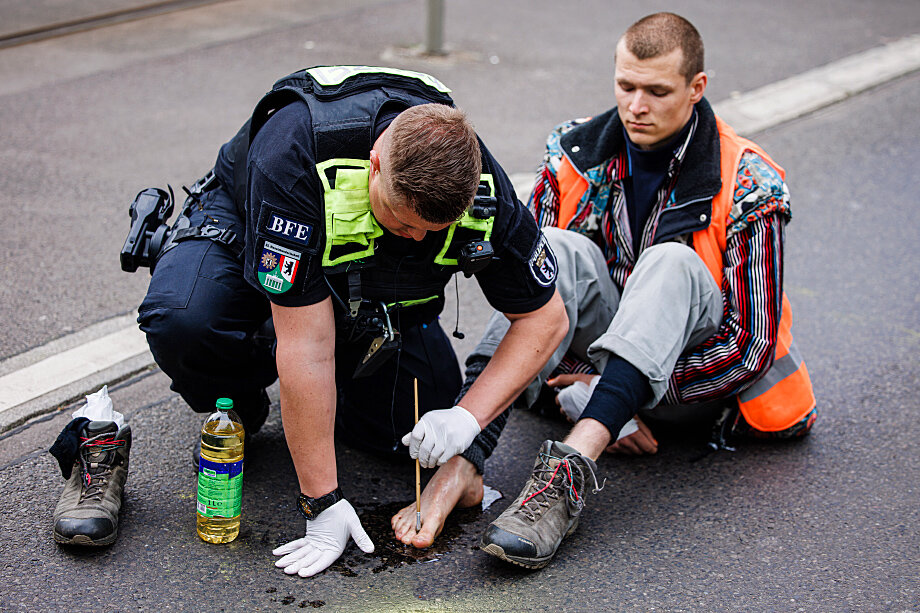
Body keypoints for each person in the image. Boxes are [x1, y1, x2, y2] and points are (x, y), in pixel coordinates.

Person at [134, 66, 567, 576]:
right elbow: (305, 346)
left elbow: (545, 320)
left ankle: (333, 397)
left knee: (412, 438)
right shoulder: (293, 152)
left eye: (432, 232)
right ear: (375, 163)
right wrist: (322, 501)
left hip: (372, 290)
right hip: (252, 220)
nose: (414, 239)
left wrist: (467, 419)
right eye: (403, 222)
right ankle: (238, 402)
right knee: (187, 320)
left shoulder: (480, 187)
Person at [472, 13, 817, 569]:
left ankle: (564, 478)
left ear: (696, 88)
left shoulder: (750, 181)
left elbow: (750, 348)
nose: (636, 107)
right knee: (555, 251)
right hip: (604, 370)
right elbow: (531, 290)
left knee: (671, 263)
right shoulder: (572, 150)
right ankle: (468, 449)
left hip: (696, 391)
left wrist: (609, 388)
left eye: (657, 92)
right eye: (626, 86)